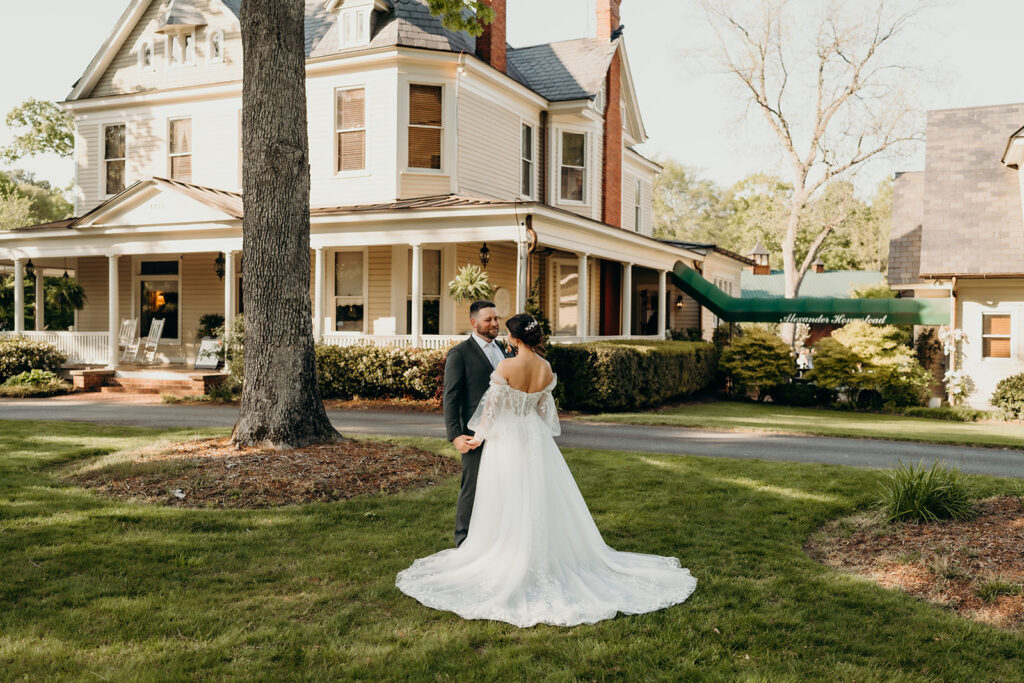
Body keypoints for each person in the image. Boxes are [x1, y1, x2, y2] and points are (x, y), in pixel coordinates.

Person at [397, 313, 697, 627]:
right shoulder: (545, 368)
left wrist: (478, 437)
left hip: (508, 442)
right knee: (539, 494)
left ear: (513, 339)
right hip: (535, 439)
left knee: (507, 494)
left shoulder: (506, 366)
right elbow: (544, 412)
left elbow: (491, 412)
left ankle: (507, 554)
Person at [443, 300, 512, 547]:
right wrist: (455, 435)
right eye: (488, 320)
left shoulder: (504, 349)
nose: (495, 323)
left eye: (496, 319)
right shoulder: (460, 353)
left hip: (505, 430)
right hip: (474, 433)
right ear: (474, 323)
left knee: (500, 483)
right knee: (471, 486)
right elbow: (450, 396)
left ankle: (494, 535)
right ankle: (463, 539)